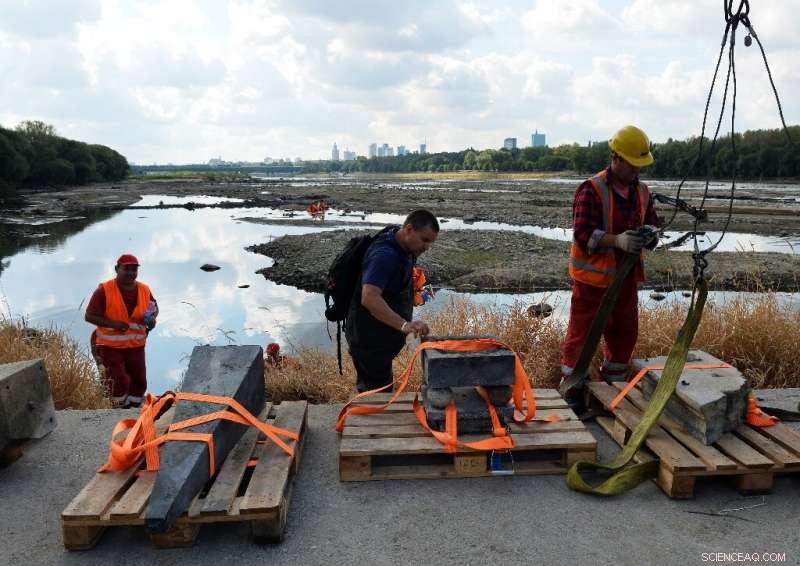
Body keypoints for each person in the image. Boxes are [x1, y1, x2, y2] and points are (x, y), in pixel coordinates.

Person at [560, 125, 660, 406]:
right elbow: (581, 233)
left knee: (624, 334)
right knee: (582, 337)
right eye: (633, 165)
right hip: (593, 282)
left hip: (626, 277)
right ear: (616, 158)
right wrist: (616, 241)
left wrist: (651, 235)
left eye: (641, 165)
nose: (637, 171)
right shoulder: (591, 190)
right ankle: (573, 391)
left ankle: (614, 392)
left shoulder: (642, 191)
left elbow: (653, 222)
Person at [345, 209, 439, 392]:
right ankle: (371, 418)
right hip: (369, 342)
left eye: (431, 242)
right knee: (376, 395)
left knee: (382, 387)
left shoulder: (404, 245)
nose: (427, 247)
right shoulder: (384, 256)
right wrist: (404, 325)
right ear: (409, 229)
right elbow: (369, 297)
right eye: (425, 240)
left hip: (381, 341)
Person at [85, 254, 158, 408]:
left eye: (134, 269)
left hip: (136, 346)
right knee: (119, 380)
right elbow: (89, 316)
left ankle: (134, 410)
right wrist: (114, 324)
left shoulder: (144, 289)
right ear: (117, 269)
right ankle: (118, 411)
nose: (131, 272)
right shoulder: (104, 290)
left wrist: (152, 319)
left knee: (139, 381)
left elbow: (154, 308)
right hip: (110, 346)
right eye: (127, 269)